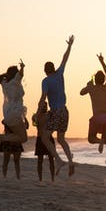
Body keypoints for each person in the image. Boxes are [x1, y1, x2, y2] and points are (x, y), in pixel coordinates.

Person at [38, 35, 75, 176]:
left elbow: (43, 98)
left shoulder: (45, 81)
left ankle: (59, 160)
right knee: (61, 139)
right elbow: (65, 58)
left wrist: (37, 112)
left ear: (45, 71)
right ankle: (70, 162)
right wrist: (70, 45)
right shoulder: (59, 74)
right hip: (65, 111)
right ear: (53, 68)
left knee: (45, 138)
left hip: (55, 112)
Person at [79, 52, 106, 153]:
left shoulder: (92, 88)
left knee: (91, 138)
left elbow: (81, 93)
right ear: (104, 80)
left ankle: (99, 140)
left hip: (97, 117)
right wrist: (102, 61)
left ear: (95, 79)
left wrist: (88, 85)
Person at [32, 102, 55, 182]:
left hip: (48, 138)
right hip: (40, 139)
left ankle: (52, 178)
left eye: (46, 106)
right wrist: (34, 118)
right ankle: (40, 179)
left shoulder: (49, 115)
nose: (45, 108)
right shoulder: (36, 116)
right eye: (43, 106)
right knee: (40, 160)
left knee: (51, 159)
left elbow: (54, 124)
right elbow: (35, 125)